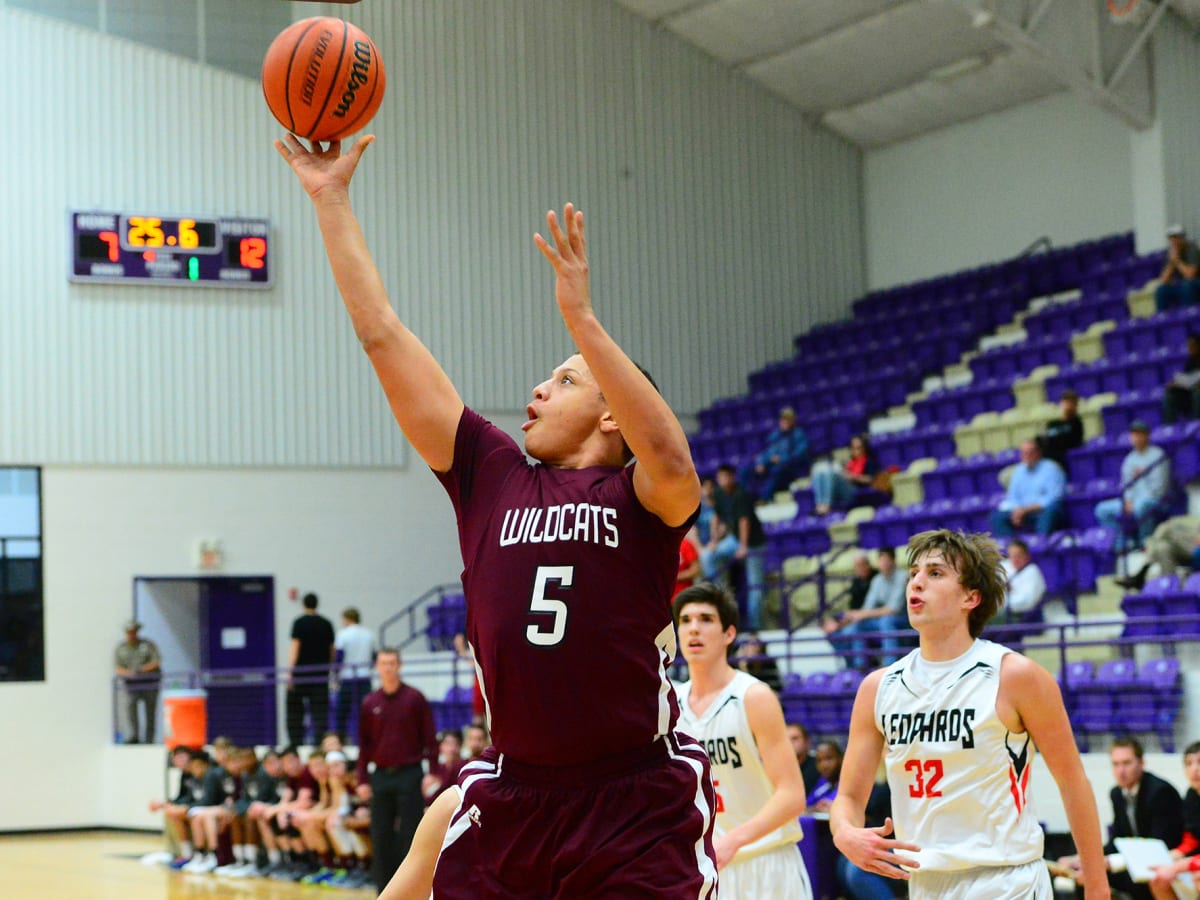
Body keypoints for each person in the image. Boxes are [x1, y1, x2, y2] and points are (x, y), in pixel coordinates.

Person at [278, 132, 715, 898]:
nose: (538, 391)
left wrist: (582, 321)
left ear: (613, 415)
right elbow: (382, 334)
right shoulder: (492, 475)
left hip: (633, 800)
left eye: (565, 379)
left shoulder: (642, 501)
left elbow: (675, 464)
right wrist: (330, 201)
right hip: (514, 791)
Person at [831, 529, 1109, 899]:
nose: (916, 582)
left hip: (1006, 880)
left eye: (935, 573)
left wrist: (1097, 887)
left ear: (970, 597)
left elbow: (1073, 782)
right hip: (927, 882)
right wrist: (845, 833)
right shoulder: (878, 688)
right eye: (913, 572)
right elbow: (848, 798)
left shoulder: (1013, 675)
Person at [673, 583, 812, 898]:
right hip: (705, 871)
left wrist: (733, 840)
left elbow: (792, 795)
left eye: (706, 619)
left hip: (765, 863)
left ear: (729, 634)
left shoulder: (754, 696)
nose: (694, 628)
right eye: (686, 620)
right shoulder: (671, 704)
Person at [1060, 737, 1184, 900]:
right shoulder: (1117, 793)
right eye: (1116, 764)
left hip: (1162, 862)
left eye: (1126, 763)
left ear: (1141, 762)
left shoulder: (1159, 791)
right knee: (1084, 877)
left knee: (1102, 878)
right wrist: (1083, 859)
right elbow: (1118, 838)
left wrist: (1110, 863)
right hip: (1134, 862)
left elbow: (1159, 844)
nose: (1121, 771)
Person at [355, 647, 436, 892]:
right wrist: (362, 780)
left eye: (392, 663)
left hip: (410, 774)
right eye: (383, 663)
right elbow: (364, 745)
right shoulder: (370, 702)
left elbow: (430, 738)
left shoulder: (414, 698)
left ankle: (411, 891)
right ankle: (385, 891)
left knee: (411, 837)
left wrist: (432, 770)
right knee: (380, 836)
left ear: (399, 665)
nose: (388, 667)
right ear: (377, 667)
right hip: (380, 776)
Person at [702, 463, 768, 630]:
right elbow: (716, 517)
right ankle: (720, 593)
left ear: (733, 477)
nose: (723, 480)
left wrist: (743, 546)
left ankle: (755, 627)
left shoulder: (742, 494)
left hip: (753, 542)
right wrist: (714, 540)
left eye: (726, 476)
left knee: (755, 587)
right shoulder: (719, 494)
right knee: (708, 555)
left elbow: (744, 521)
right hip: (734, 539)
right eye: (720, 477)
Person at [823, 547, 908, 669]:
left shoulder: (903, 577)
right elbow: (867, 607)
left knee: (887, 620)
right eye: (881, 560)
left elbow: (894, 609)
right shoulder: (876, 580)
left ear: (893, 560)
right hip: (880, 619)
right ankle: (860, 666)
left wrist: (861, 614)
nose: (883, 564)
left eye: (886, 560)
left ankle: (889, 665)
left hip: (902, 619)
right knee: (859, 625)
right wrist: (847, 617)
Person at [1094, 421, 1171, 550]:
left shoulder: (1158, 455)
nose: (1136, 438)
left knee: (1142, 506)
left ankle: (1145, 543)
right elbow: (1127, 485)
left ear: (1147, 436)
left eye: (1140, 434)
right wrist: (1128, 501)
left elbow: (1160, 488)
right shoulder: (1130, 459)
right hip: (1133, 501)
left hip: (1155, 500)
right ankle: (1121, 543)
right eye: (1134, 434)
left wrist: (1135, 502)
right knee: (1102, 509)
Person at [1148, 741, 1200, 900]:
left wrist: (1178, 867)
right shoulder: (1192, 796)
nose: (1194, 769)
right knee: (1157, 879)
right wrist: (1169, 857)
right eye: (1189, 764)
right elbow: (1191, 840)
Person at [989, 438, 1067, 537]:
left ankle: (1041, 545)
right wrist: (1017, 511)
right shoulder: (1018, 471)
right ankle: (1011, 547)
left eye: (1031, 452)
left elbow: (1053, 497)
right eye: (1024, 453)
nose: (1027, 456)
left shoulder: (1051, 468)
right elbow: (1013, 497)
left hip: (1042, 510)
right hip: (1023, 512)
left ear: (1038, 453)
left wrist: (1025, 510)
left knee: (1050, 511)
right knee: (997, 516)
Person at [287, 592, 336, 746]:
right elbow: (331, 649)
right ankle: (319, 743)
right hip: (321, 674)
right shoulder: (326, 623)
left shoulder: (299, 622)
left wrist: (290, 672)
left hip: (301, 673)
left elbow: (295, 647)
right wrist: (331, 668)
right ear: (317, 604)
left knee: (295, 712)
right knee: (320, 712)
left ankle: (296, 743)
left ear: (303, 605)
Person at [742, 406, 809, 504]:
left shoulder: (799, 434)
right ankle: (746, 499)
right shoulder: (775, 436)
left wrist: (782, 459)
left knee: (776, 469)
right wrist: (761, 463)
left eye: (787, 419)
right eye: (782, 419)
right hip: (771, 464)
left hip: (789, 468)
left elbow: (800, 454)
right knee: (745, 471)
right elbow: (766, 452)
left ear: (793, 421)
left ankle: (764, 499)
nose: (784, 422)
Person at [1116, 516, 1200, 591]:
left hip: (1195, 549)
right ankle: (1171, 590)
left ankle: (1142, 572)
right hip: (1193, 545)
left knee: (1167, 529)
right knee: (1163, 547)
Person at [810, 434, 881, 517]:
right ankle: (819, 504)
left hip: (856, 492)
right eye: (853, 448)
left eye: (858, 448)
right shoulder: (850, 462)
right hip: (844, 488)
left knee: (831, 474)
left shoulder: (869, 461)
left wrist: (853, 477)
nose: (855, 450)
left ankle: (826, 505)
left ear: (864, 448)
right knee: (820, 471)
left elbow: (871, 479)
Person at [115, 620, 161, 744]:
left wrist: (141, 670)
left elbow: (156, 662)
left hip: (149, 683)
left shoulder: (147, 645)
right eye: (129, 632)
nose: (132, 634)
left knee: (150, 712)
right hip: (132, 685)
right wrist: (129, 673)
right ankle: (134, 736)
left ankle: (149, 739)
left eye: (134, 631)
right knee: (131, 709)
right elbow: (118, 668)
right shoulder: (121, 648)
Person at [334, 606, 376, 740]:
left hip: (347, 677)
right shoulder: (369, 634)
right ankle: (366, 739)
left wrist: (335, 675)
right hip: (365, 676)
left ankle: (341, 739)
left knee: (342, 712)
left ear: (346, 619)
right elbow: (375, 656)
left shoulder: (343, 634)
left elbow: (339, 656)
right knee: (365, 711)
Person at [999, 538, 1046, 624]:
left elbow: (1027, 602)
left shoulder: (1033, 571)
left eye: (1018, 555)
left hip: (1024, 618)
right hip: (1003, 613)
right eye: (1012, 556)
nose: (1015, 559)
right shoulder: (1004, 566)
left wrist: (1002, 603)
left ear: (1027, 556)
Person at [1156, 226, 1200, 312]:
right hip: (1181, 285)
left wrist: (1177, 261)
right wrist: (1172, 263)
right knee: (1161, 290)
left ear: (1182, 238)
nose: (1174, 241)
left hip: (1195, 284)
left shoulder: (1192, 249)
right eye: (1172, 238)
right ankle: (1162, 319)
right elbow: (1164, 280)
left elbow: (1190, 275)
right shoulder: (1171, 253)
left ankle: (1189, 314)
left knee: (1187, 285)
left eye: (1176, 237)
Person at [1043, 389, 1084, 474]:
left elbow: (1072, 442)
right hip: (1047, 461)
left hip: (1063, 461)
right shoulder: (1052, 424)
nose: (1068, 406)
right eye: (1066, 402)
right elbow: (1047, 442)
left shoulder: (1076, 423)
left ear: (1076, 406)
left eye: (1071, 403)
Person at [1164, 334, 1200, 425]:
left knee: (1197, 393)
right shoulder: (1190, 362)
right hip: (1190, 393)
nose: (1190, 348)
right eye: (1188, 346)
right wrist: (1176, 383)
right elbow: (1188, 379)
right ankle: (1169, 429)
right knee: (1169, 396)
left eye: (1192, 345)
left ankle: (1196, 424)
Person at [807, 739, 844, 812]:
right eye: (819, 760)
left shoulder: (849, 782)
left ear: (841, 759)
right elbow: (806, 806)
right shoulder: (822, 781)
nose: (824, 765)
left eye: (829, 758)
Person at [787, 722, 820, 796]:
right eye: (786, 740)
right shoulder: (777, 769)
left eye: (795, 738)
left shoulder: (819, 766)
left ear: (807, 741)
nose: (789, 743)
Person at [674, 527, 702, 598]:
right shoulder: (658, 546)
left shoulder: (686, 544)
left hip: (683, 594)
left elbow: (696, 570)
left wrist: (675, 577)